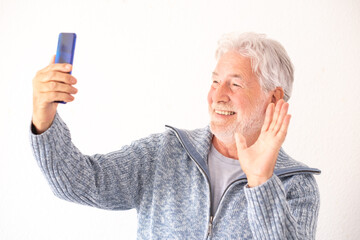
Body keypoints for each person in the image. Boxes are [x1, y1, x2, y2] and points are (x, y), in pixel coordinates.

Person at [30, 32, 320, 239]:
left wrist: (261, 183)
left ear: (274, 98)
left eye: (235, 84)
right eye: (215, 81)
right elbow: (76, 183)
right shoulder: (164, 153)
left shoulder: (296, 185)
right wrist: (43, 116)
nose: (218, 95)